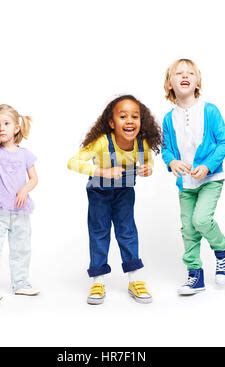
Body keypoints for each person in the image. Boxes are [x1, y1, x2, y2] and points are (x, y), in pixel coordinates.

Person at [68, 95, 161, 304]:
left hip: (125, 194)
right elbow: (72, 162)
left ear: (141, 121)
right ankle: (97, 280)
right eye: (122, 116)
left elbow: (148, 160)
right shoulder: (102, 142)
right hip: (99, 194)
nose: (129, 121)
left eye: (134, 117)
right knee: (99, 233)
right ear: (111, 122)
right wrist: (102, 171)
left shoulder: (142, 144)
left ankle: (134, 279)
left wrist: (149, 168)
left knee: (127, 232)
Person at [162, 59, 225, 295]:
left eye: (190, 73)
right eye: (179, 73)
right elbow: (166, 149)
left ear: (197, 81)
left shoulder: (209, 110)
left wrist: (208, 166)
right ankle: (195, 275)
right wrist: (171, 161)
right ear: (170, 83)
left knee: (201, 220)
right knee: (188, 229)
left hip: (210, 179)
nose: (185, 75)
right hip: (186, 183)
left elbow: (224, 143)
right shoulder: (168, 118)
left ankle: (222, 251)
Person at [0, 104, 40, 306]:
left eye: (6, 124)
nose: (1, 128)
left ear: (16, 128)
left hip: (20, 210)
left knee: (21, 248)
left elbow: (33, 179)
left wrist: (24, 189)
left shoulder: (25, 154)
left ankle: (20, 282)